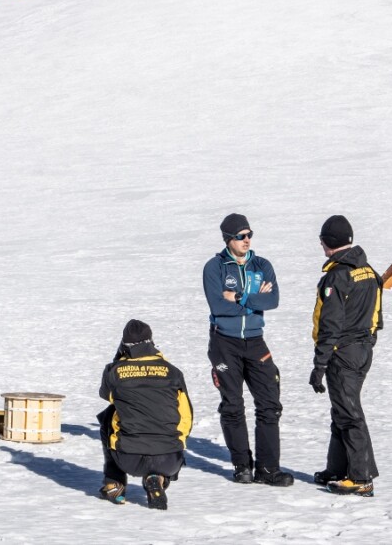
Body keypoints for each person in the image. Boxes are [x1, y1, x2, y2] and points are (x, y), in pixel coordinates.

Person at [202, 213, 293, 486]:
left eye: (249, 234)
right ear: (228, 239)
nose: (247, 240)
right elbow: (218, 306)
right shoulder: (214, 267)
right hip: (224, 341)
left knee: (269, 404)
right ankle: (242, 465)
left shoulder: (262, 265)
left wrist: (240, 297)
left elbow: (274, 300)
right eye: (241, 236)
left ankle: (268, 469)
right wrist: (256, 301)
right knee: (233, 405)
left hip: (255, 340)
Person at [309, 214, 383, 497]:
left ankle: (361, 477)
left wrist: (320, 364)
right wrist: (367, 342)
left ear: (327, 243)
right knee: (341, 411)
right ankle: (336, 469)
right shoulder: (368, 271)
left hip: (343, 353)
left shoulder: (338, 276)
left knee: (350, 414)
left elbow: (330, 324)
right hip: (361, 350)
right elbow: (377, 315)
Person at [98, 319, 193, 510]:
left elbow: (106, 395)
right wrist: (178, 442)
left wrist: (119, 361)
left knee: (108, 416)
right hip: (169, 459)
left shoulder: (114, 371)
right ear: (151, 341)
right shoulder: (173, 372)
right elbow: (187, 415)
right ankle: (157, 477)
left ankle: (114, 485)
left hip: (128, 458)